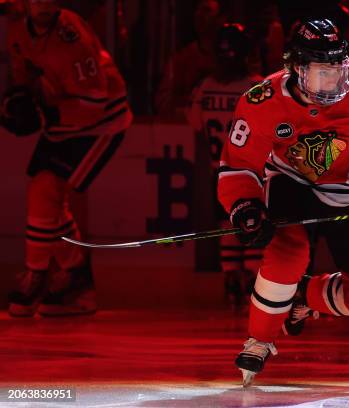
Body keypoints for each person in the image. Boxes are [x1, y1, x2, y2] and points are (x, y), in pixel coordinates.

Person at [217, 19, 349, 386]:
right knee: (286, 253)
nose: (334, 83)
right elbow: (238, 164)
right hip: (292, 182)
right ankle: (259, 338)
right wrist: (245, 205)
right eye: (321, 72)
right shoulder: (261, 101)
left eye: (337, 70)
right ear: (296, 68)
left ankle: (302, 295)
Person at [2, 0, 132, 317]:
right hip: (65, 119)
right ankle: (75, 280)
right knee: (44, 194)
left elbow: (95, 99)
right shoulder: (16, 27)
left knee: (46, 188)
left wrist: (43, 110)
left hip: (101, 122)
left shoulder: (69, 36)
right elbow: (25, 75)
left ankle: (38, 273)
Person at [187, 23, 263, 309]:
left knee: (227, 224)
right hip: (254, 172)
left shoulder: (204, 88)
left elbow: (195, 124)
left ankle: (231, 280)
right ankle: (254, 283)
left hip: (219, 171)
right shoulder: (256, 87)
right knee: (255, 224)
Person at [155, 0, 225, 116]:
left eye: (207, 10)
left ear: (221, 18)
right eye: (197, 10)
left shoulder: (232, 62)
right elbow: (162, 103)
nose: (199, 15)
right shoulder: (181, 59)